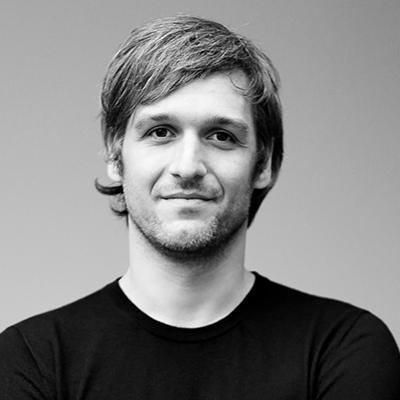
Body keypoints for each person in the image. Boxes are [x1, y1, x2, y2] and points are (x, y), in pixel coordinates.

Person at [0, 15, 399, 399]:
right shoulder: (32, 359)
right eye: (160, 132)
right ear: (114, 155)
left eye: (221, 136)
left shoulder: (343, 348)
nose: (188, 166)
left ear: (264, 163)